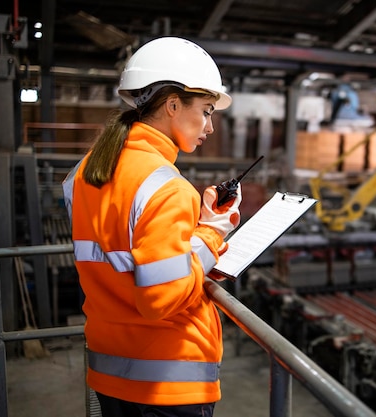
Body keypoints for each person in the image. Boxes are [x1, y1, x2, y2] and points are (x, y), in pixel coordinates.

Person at [62, 36, 241, 417]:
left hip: (110, 370)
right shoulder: (167, 187)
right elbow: (161, 298)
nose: (209, 126)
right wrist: (212, 232)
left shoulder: (88, 171)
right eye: (207, 110)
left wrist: (196, 230)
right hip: (167, 385)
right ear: (173, 105)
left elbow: (124, 253)